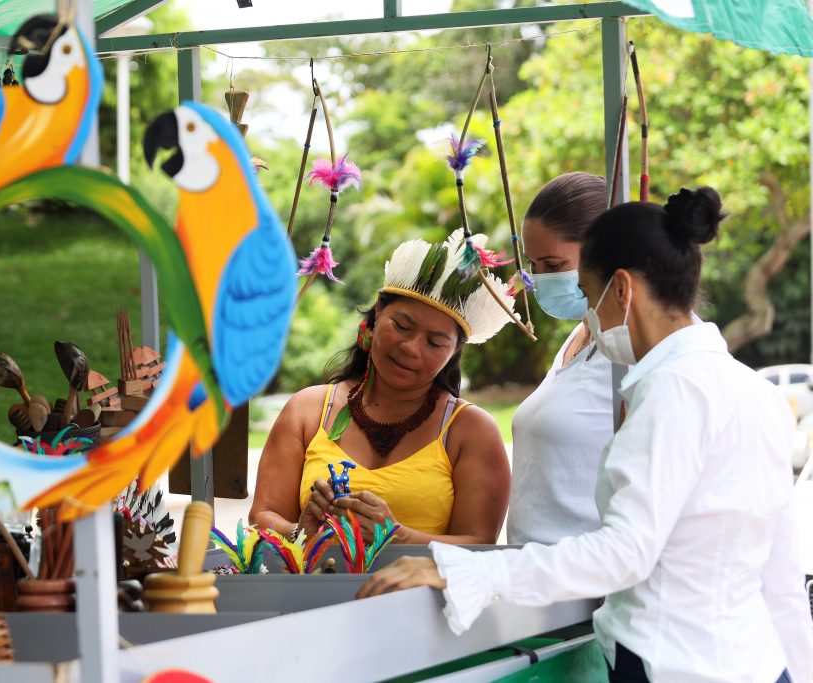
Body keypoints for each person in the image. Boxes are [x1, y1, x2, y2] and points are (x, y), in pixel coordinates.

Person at [359, 188, 813, 682]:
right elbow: (781, 572)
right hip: (757, 663)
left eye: (589, 295)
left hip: (670, 663)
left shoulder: (669, 390)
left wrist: (463, 570)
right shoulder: (752, 390)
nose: (590, 319)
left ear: (621, 288)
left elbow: (624, 552)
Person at [250, 229, 517, 545]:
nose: (411, 348)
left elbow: (480, 546)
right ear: (377, 314)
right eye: (402, 326)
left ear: (454, 352)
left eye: (435, 342)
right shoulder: (307, 411)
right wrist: (302, 533)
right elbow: (262, 520)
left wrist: (395, 536)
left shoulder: (470, 431)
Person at [508, 172, 613, 545]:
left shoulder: (633, 355)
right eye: (534, 266)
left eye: (552, 266)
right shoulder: (578, 337)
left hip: (585, 585)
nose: (541, 279)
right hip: (541, 580)